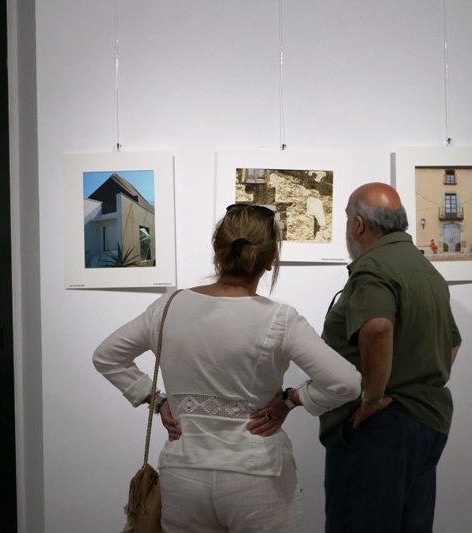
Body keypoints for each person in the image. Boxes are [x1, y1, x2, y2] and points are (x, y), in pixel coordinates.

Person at [93, 203, 361, 533]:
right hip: (257, 475)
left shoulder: (168, 307)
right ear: (269, 259)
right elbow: (346, 383)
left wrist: (156, 401)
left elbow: (106, 357)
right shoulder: (278, 318)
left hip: (183, 474)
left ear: (216, 249)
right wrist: (292, 400)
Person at [318, 182, 462, 532]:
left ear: (358, 224)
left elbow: (378, 328)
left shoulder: (374, 267)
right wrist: (416, 382)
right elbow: (454, 343)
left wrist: (373, 397)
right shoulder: (426, 271)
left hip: (382, 430)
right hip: (427, 423)